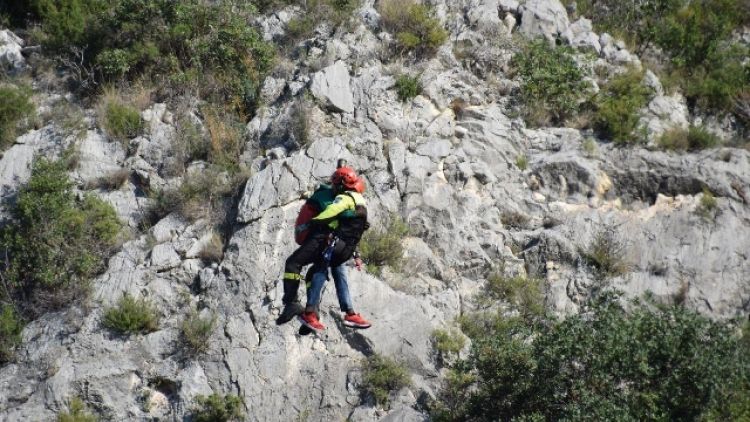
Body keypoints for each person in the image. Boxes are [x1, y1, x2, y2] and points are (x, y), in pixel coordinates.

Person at [276, 164, 368, 325]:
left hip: (325, 240)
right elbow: (349, 226)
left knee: (294, 264)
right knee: (320, 271)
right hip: (341, 246)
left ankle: (295, 305)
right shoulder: (358, 202)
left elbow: (332, 212)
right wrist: (355, 252)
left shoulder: (341, 199)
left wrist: (310, 224)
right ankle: (341, 312)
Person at [299, 178, 371, 331]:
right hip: (328, 244)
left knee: (336, 275)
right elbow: (330, 216)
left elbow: (351, 232)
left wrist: (356, 254)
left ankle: (349, 313)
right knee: (319, 273)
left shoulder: (347, 204)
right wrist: (314, 222)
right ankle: (310, 312)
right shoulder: (340, 201)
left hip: (337, 245)